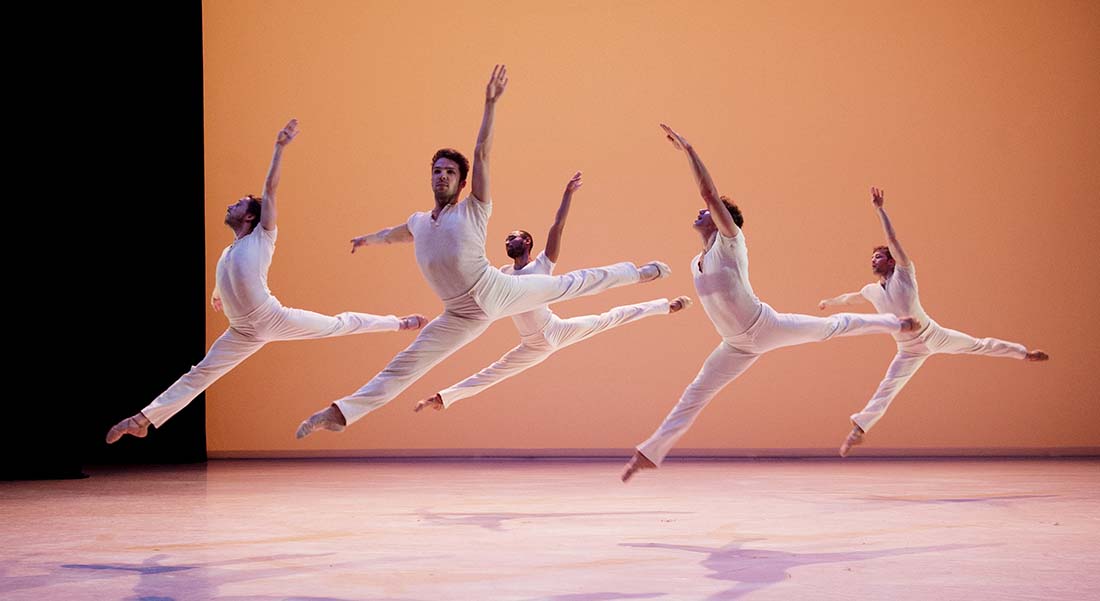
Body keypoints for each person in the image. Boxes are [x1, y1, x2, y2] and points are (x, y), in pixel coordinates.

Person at [296, 66, 670, 438]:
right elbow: (394, 234)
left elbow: (483, 152)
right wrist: (368, 240)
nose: (442, 176)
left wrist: (490, 103)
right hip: (460, 313)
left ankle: (640, 273)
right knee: (407, 363)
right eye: (437, 171)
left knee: (574, 283)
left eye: (450, 173)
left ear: (461, 181)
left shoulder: (473, 208)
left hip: (493, 289)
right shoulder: (419, 222)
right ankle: (340, 414)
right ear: (430, 177)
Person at [621, 125, 915, 482]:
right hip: (735, 345)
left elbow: (709, 193)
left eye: (707, 211)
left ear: (720, 219)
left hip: (764, 326)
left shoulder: (730, 241)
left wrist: (690, 150)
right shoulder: (694, 262)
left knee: (830, 328)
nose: (700, 213)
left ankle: (894, 323)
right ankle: (650, 452)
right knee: (696, 391)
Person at [106, 119, 426, 444]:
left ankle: (398, 323)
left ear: (249, 217)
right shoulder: (228, 252)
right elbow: (229, 278)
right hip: (241, 331)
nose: (230, 205)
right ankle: (143, 419)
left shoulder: (263, 236)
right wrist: (218, 293)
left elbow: (270, 190)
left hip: (269, 317)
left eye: (238, 204)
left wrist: (280, 147)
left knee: (338, 324)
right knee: (200, 373)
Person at [415, 171, 693, 413]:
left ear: (527, 241)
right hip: (532, 345)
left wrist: (567, 194)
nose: (508, 241)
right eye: (506, 239)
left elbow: (557, 227)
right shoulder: (503, 276)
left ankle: (661, 302)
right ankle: (444, 397)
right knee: (494, 373)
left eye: (513, 237)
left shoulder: (542, 266)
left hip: (555, 330)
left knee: (610, 317)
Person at [818, 187, 1049, 457]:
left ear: (891, 261)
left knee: (977, 345)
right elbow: (851, 298)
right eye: (872, 257)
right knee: (889, 385)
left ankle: (1025, 354)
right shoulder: (871, 290)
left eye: (879, 256)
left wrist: (880, 209)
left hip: (932, 334)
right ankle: (858, 430)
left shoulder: (904, 273)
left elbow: (892, 238)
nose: (874, 259)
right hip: (908, 348)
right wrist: (829, 302)